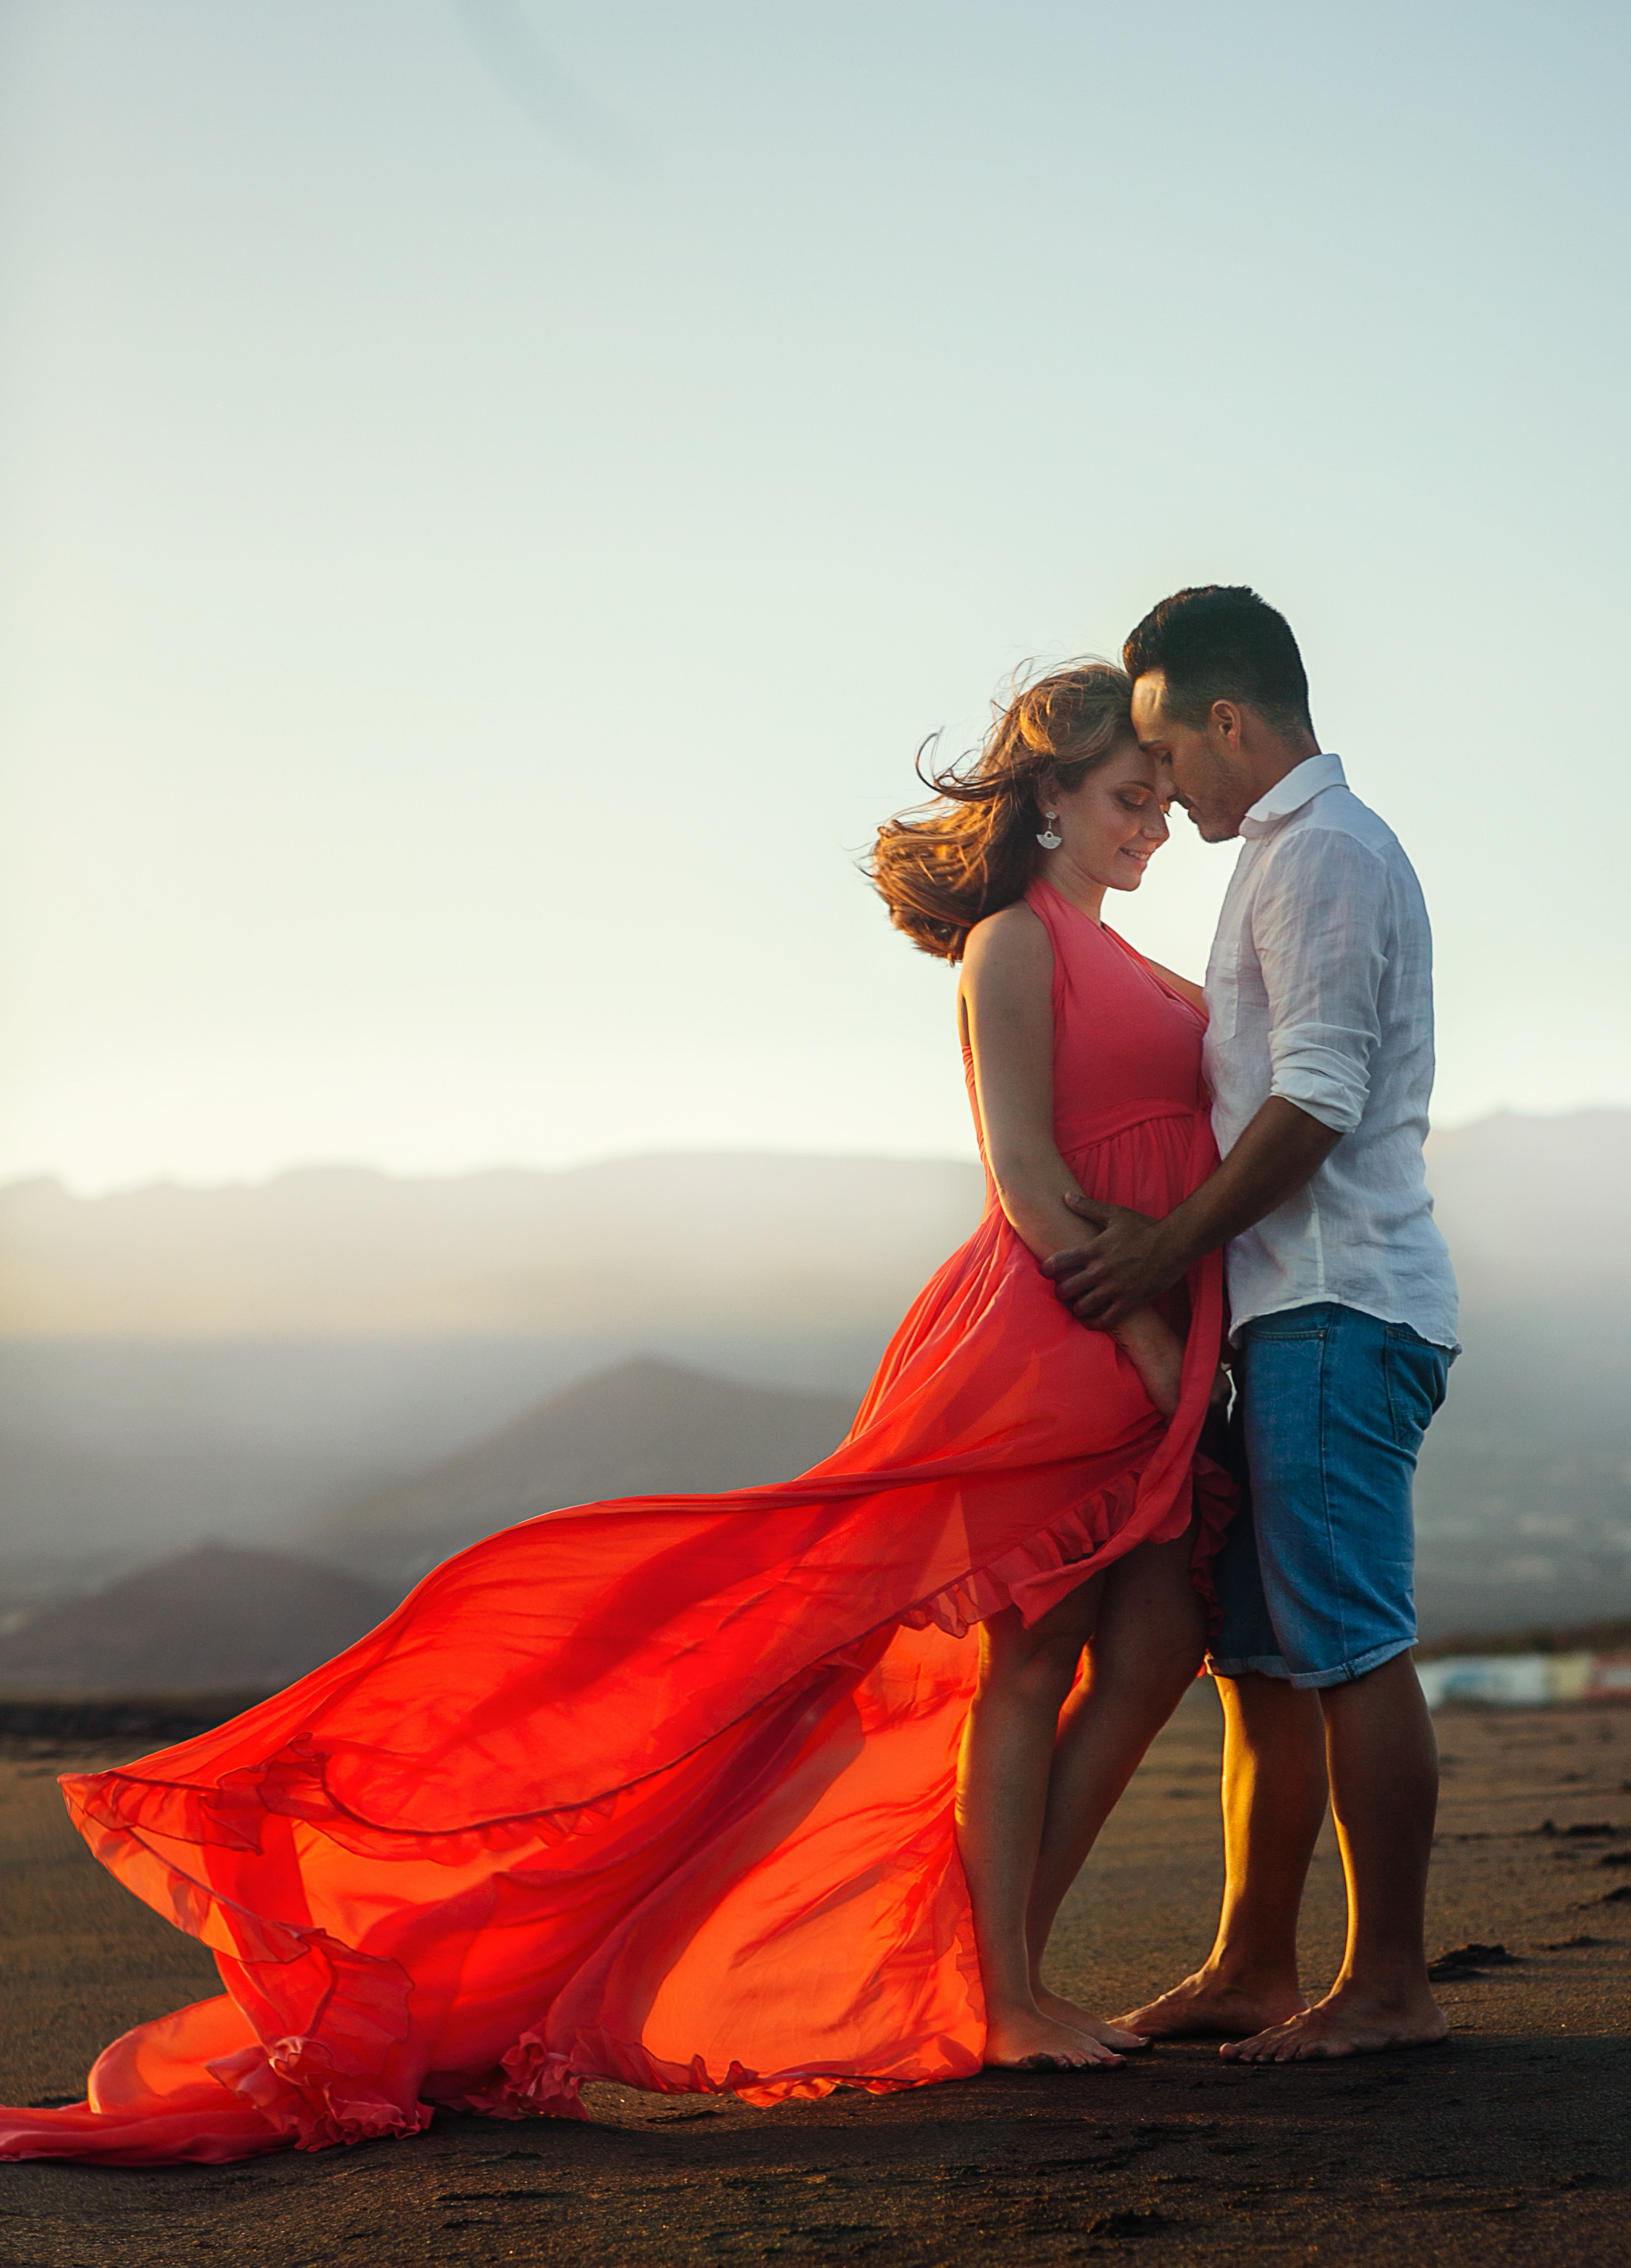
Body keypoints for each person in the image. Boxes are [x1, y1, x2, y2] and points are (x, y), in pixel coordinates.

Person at [0, 661, 1232, 2167]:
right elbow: (1029, 1188)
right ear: (1046, 796)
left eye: (1162, 803)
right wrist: (1160, 1359)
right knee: (1027, 1656)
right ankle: (1008, 1994)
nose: (1153, 827)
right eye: (1127, 800)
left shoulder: (1144, 966)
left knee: (1161, 1636)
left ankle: (997, 1968)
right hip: (1062, 1335)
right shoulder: (1009, 947)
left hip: (1158, 1324)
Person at [1047, 586, 1459, 2061]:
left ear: (1229, 720)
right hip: (1285, 1316)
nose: (1161, 784)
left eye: (1168, 746)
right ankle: (1249, 1968)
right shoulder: (1286, 855)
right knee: (1267, 1664)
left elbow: (1316, 1099)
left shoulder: (1323, 857)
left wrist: (1169, 1240)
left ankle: (1391, 1986)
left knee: (1346, 1646)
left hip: (1337, 1308)